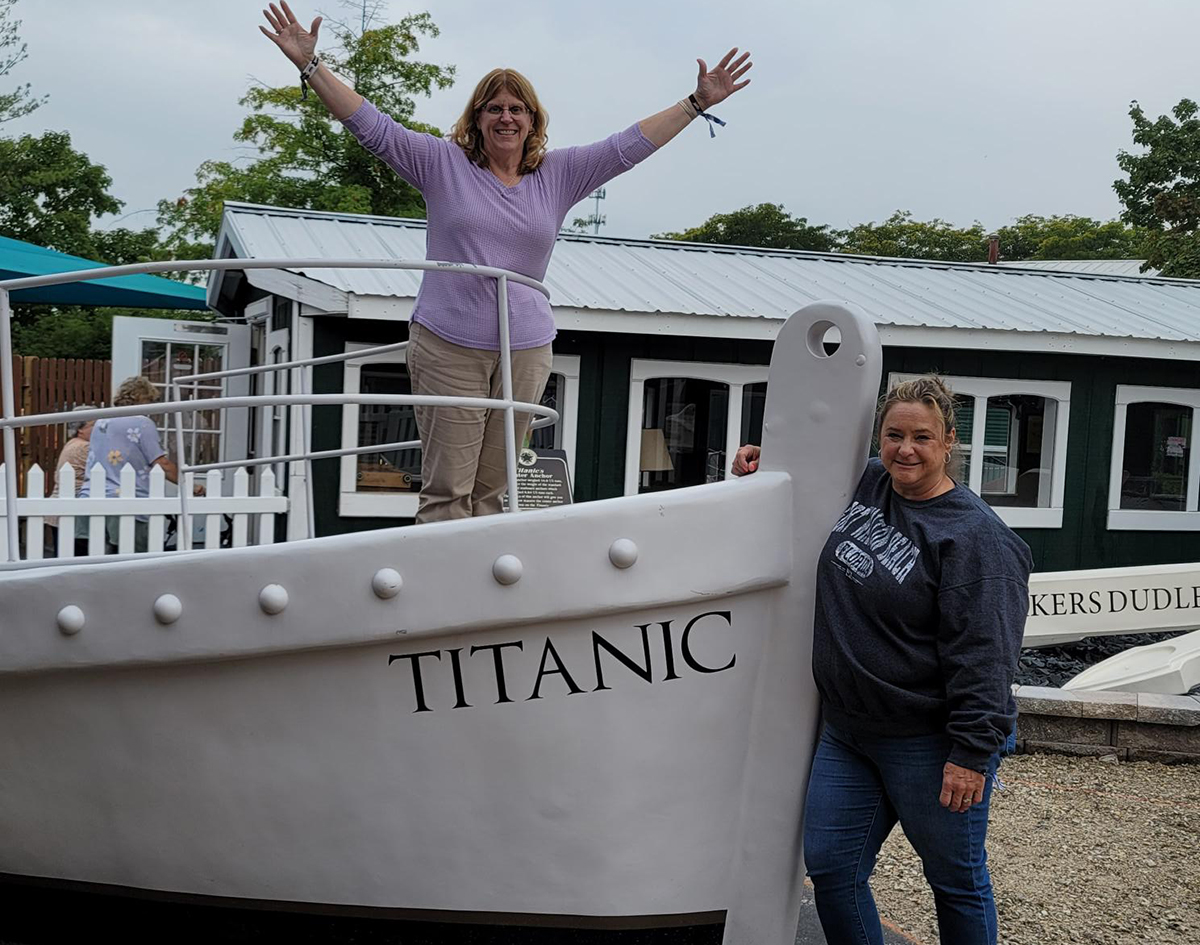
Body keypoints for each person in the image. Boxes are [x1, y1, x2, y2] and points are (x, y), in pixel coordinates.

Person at [259, 1, 752, 523]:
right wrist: (311, 66)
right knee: (449, 492)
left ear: (533, 120)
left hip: (526, 349)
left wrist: (697, 102)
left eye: (517, 109)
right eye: (494, 108)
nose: (506, 117)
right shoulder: (440, 162)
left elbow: (626, 146)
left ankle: (482, 599)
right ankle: (440, 600)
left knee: (494, 495)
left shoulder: (559, 174)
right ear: (477, 118)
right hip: (449, 345)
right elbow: (372, 127)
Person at [733, 375, 1032, 945]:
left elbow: (988, 659)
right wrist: (764, 462)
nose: (905, 450)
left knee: (955, 882)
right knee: (833, 873)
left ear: (949, 440)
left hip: (929, 742)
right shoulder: (872, 481)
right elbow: (811, 470)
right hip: (846, 733)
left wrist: (971, 752)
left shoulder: (977, 539)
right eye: (893, 435)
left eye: (922, 437)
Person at [76, 376, 196, 554]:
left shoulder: (101, 422)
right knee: (132, 562)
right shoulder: (142, 423)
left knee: (90, 563)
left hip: (91, 498)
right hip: (127, 503)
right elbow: (160, 463)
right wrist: (190, 485)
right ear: (143, 399)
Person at [43, 405, 95, 556]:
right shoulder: (84, 447)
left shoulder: (72, 443)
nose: (99, 428)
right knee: (74, 555)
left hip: (60, 508)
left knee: (62, 555)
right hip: (72, 510)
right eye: (93, 424)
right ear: (81, 429)